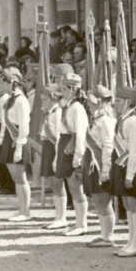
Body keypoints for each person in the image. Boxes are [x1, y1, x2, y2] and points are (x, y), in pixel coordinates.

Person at [111, 85, 136, 257]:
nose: (115, 104)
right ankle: (130, 241)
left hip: (133, 164)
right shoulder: (124, 119)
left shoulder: (134, 121)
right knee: (127, 204)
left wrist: (130, 174)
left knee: (134, 203)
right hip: (122, 163)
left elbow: (135, 150)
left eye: (118, 101)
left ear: (128, 102)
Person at [55, 73, 90, 236]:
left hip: (73, 146)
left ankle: (82, 224)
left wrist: (78, 157)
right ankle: (77, 222)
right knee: (71, 186)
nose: (61, 91)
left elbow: (80, 133)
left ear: (72, 90)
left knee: (77, 187)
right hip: (64, 142)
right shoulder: (68, 106)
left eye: (64, 88)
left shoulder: (77, 108)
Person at [84, 85, 118, 247]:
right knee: (98, 199)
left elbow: (108, 145)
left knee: (103, 200)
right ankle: (103, 233)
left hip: (101, 164)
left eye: (90, 100)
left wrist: (105, 169)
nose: (88, 103)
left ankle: (108, 236)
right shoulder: (97, 118)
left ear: (99, 101)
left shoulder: (105, 120)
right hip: (93, 162)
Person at [0, 68, 33, 222]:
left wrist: (19, 146)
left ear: (12, 83)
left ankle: (25, 211)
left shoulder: (21, 100)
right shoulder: (9, 100)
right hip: (9, 137)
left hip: (18, 139)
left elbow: (24, 125)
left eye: (3, 81)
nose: (1, 85)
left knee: (21, 177)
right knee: (15, 178)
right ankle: (21, 209)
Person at [40, 84, 67, 229]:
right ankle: (57, 215)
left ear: (53, 99)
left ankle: (62, 217)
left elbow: (57, 137)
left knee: (58, 183)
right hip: (47, 146)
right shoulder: (49, 112)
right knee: (52, 182)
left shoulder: (57, 113)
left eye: (45, 99)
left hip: (54, 148)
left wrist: (57, 157)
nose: (42, 102)